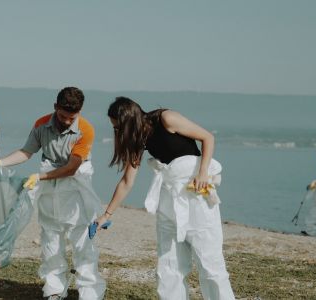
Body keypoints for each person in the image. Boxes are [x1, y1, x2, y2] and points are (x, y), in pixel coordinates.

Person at [95, 97, 235, 300]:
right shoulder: (139, 141)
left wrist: (203, 172)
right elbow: (127, 182)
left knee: (210, 263)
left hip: (196, 193)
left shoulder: (166, 118)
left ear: (130, 121)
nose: (117, 133)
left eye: (118, 128)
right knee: (169, 265)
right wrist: (106, 215)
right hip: (169, 196)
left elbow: (207, 138)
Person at [0, 87, 106, 300]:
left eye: (71, 117)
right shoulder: (41, 124)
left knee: (82, 239)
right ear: (55, 107)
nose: (66, 121)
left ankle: (90, 293)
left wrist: (39, 178)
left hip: (76, 186)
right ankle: (54, 289)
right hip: (49, 183)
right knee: (51, 236)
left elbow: (72, 168)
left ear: (80, 111)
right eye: (63, 116)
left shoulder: (85, 129)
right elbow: (26, 152)